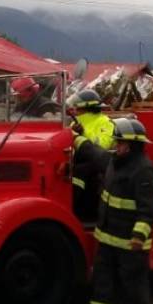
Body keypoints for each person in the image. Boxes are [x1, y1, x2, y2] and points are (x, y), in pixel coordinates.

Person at [81, 118, 153, 304]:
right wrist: (79, 140)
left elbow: (149, 208)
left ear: (132, 145)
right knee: (103, 277)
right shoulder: (115, 163)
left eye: (120, 143)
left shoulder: (143, 171)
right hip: (108, 235)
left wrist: (138, 236)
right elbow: (98, 155)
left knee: (133, 279)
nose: (116, 146)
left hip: (129, 239)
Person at [67, 90, 115, 221]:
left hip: (97, 167)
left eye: (77, 107)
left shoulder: (105, 122)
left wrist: (83, 134)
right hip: (76, 162)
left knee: (79, 173)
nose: (74, 109)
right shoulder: (74, 123)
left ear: (86, 107)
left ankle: (78, 211)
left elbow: (103, 146)